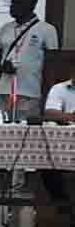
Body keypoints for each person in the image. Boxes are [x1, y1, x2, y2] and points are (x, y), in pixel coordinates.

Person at [0, 0, 59, 123]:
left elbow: (52, 66)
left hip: (29, 94)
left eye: (17, 3)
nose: (12, 7)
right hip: (2, 92)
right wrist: (2, 67)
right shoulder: (5, 29)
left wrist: (47, 96)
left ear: (31, 5)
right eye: (12, 3)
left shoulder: (47, 30)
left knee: (25, 132)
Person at [41, 72, 75, 205]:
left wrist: (65, 116)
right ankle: (62, 203)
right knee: (45, 161)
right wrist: (71, 117)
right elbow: (50, 113)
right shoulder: (59, 88)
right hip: (64, 144)